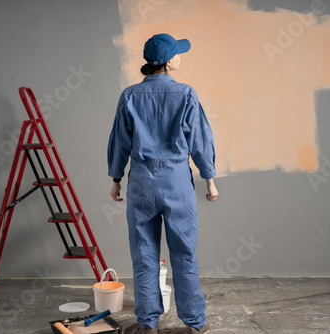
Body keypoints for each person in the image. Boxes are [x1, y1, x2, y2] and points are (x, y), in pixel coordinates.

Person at [107, 33, 218, 334]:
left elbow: (119, 141)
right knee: (183, 253)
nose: (181, 57)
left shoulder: (130, 95)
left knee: (144, 255)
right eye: (178, 54)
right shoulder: (185, 94)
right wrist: (209, 179)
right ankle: (195, 323)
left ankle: (147, 324)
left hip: (141, 184)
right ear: (169, 62)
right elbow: (200, 139)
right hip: (176, 184)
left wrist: (116, 177)